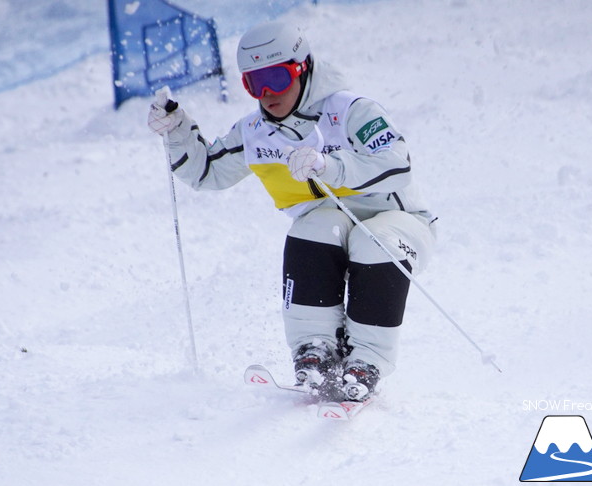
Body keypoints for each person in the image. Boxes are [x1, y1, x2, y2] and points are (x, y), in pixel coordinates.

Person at [147, 20, 436, 401]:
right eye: (254, 83)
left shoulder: (350, 111)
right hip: (333, 230)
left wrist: (330, 166)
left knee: (373, 239)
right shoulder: (255, 132)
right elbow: (207, 172)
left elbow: (398, 163)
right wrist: (179, 132)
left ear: (302, 68)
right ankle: (315, 347)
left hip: (401, 226)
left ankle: (366, 360)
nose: (266, 94)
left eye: (277, 79)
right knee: (314, 226)